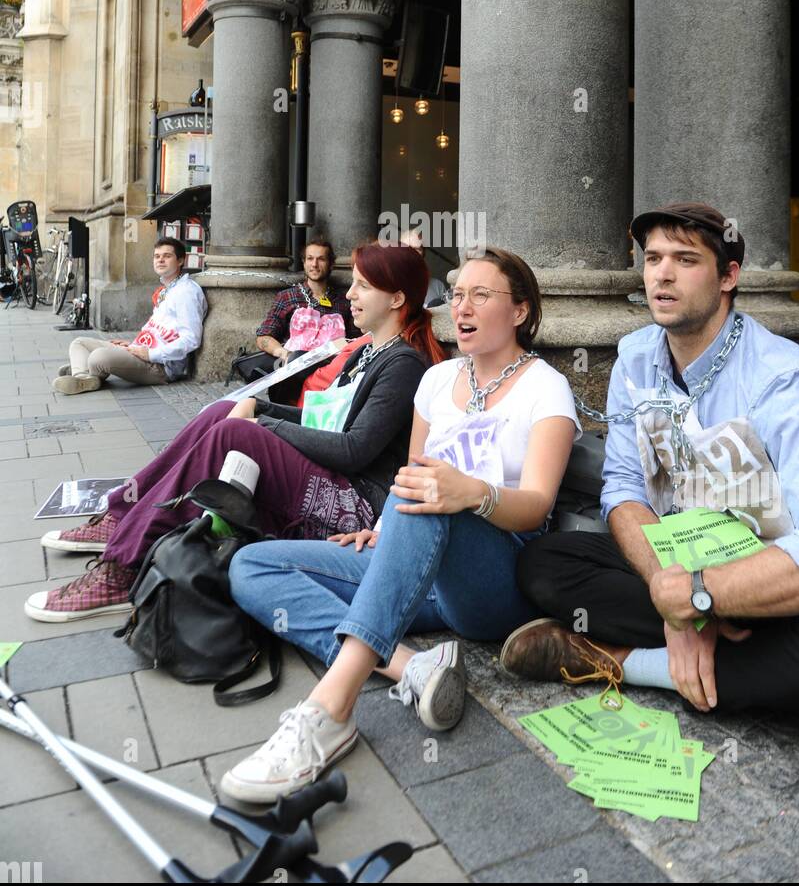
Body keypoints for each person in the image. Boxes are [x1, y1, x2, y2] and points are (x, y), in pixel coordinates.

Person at [501, 202, 799, 754]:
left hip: (767, 577)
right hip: (677, 566)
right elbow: (622, 486)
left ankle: (615, 660)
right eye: (652, 258)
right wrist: (669, 589)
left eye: (685, 259)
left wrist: (702, 596)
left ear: (728, 277)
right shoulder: (636, 359)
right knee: (544, 564)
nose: (661, 274)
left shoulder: (784, 377)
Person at [221, 246, 579, 803]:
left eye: (481, 295)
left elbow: (535, 505)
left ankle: (330, 710)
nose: (462, 306)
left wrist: (473, 494)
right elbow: (407, 477)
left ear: (520, 312)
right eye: (457, 294)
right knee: (251, 564)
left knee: (433, 495)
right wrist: (385, 532)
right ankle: (407, 665)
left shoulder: (545, 386)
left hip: (492, 577)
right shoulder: (436, 380)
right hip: (416, 557)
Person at [27, 243, 444, 623]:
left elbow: (355, 449)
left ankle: (124, 566)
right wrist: (258, 406)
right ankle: (124, 515)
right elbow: (325, 420)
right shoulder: (370, 349)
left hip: (355, 502)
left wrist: (263, 423)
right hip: (332, 471)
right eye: (352, 283)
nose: (349, 293)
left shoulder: (404, 364)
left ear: (397, 299)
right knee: (226, 410)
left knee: (235, 433)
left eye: (362, 286)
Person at [53, 236, 207, 395]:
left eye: (167, 256)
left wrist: (150, 354)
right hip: (140, 351)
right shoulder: (168, 289)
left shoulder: (186, 292)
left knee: (98, 357)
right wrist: (133, 344)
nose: (160, 260)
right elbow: (156, 330)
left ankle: (83, 368)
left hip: (160, 366)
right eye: (157, 256)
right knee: (79, 343)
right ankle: (83, 376)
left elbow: (191, 338)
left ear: (180, 260)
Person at [255, 237, 357, 364]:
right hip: (293, 371)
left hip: (331, 372)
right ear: (304, 263)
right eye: (310, 258)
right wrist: (286, 355)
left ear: (331, 264)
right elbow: (263, 337)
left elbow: (355, 341)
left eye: (321, 259)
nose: (314, 264)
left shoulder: (344, 301)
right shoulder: (286, 297)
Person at [400, 229, 448, 307]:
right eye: (408, 248)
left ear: (423, 253)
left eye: (418, 249)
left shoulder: (438, 286)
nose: (413, 253)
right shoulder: (390, 286)